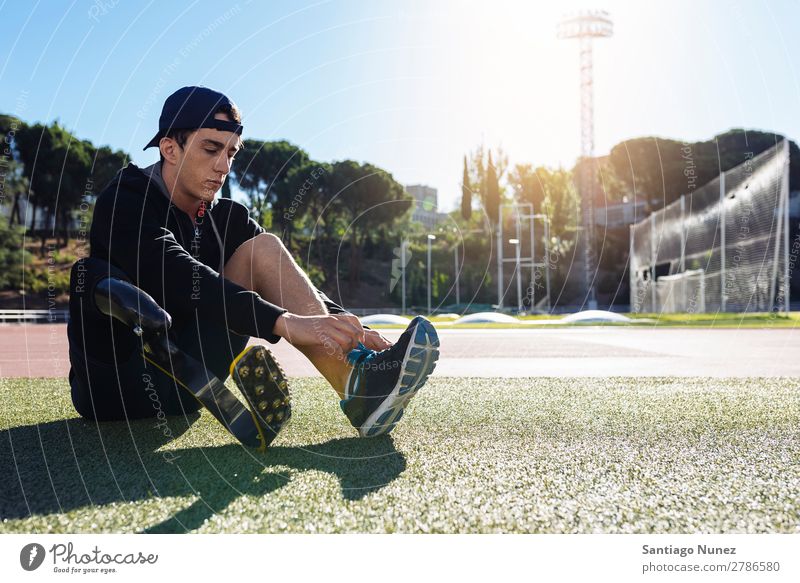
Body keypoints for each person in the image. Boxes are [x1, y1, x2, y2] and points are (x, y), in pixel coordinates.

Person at [67, 85, 439, 439]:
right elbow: (176, 273)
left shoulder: (227, 217)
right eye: (211, 149)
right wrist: (284, 323)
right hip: (117, 389)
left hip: (187, 388)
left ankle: (359, 387)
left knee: (265, 249)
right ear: (170, 148)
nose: (223, 166)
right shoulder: (125, 198)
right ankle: (359, 383)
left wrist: (349, 331)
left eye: (231, 153)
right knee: (91, 274)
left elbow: (289, 283)